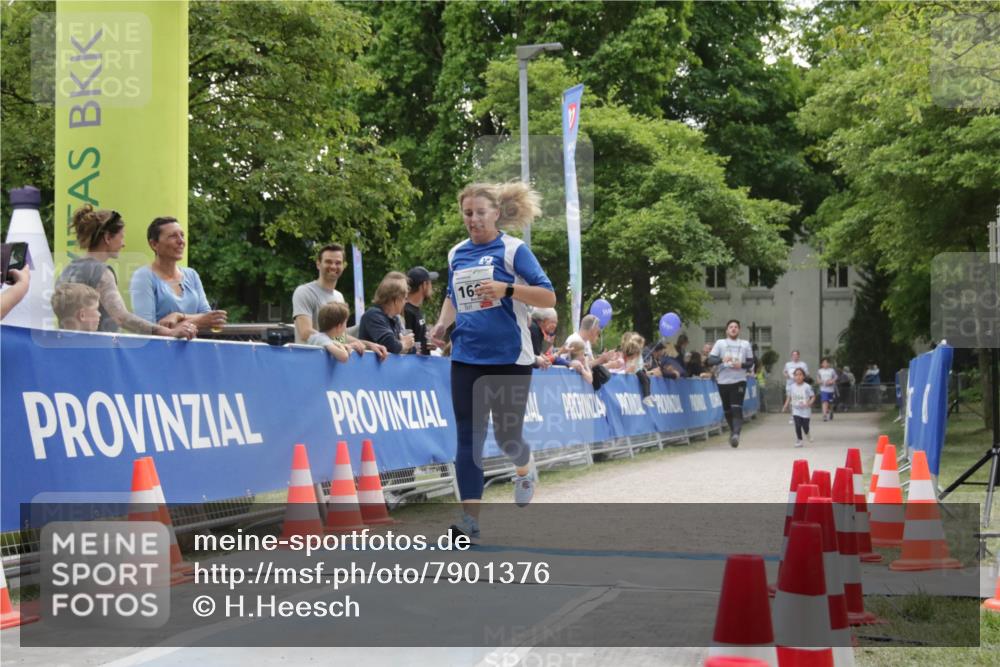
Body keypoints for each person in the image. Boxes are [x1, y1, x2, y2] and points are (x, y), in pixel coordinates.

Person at [428, 181, 556, 542]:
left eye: (480, 213)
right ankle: (469, 522)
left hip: (510, 358)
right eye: (467, 213)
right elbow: (453, 296)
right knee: (468, 437)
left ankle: (523, 465)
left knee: (506, 434)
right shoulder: (457, 253)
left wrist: (507, 289)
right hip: (467, 355)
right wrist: (442, 324)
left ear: (496, 213)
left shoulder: (514, 251)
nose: (473, 219)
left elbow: (549, 295)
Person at [56, 205, 196, 339]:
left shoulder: (68, 269)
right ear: (108, 238)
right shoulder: (101, 272)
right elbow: (121, 317)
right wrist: (169, 332)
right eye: (121, 237)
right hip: (97, 353)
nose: (123, 244)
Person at [129, 217, 227, 330]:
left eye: (182, 235)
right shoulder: (143, 277)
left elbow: (209, 318)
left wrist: (178, 316)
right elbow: (146, 327)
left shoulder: (192, 275)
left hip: (193, 346)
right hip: (159, 347)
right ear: (154, 244)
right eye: (173, 236)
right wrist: (197, 322)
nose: (181, 241)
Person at [292, 244, 387, 359]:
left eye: (338, 263)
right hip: (308, 362)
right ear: (318, 264)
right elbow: (305, 332)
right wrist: (333, 345)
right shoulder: (304, 292)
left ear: (344, 265)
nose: (333, 266)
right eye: (328, 262)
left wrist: (367, 345)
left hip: (332, 366)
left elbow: (339, 336)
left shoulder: (339, 297)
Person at [706, 319, 755, 448]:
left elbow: (751, 362)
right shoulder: (720, 343)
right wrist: (722, 359)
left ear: (739, 330)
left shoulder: (745, 344)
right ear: (727, 330)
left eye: (736, 327)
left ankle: (736, 435)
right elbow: (710, 360)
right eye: (731, 327)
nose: (733, 329)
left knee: (736, 407)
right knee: (727, 409)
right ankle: (734, 432)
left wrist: (741, 365)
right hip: (723, 381)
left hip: (739, 380)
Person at [358, 272, 415, 355]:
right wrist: (404, 344)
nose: (406, 302)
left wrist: (406, 345)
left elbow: (411, 350)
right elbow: (391, 345)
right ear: (396, 299)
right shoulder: (373, 315)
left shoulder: (395, 318)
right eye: (405, 298)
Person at [404, 266, 438, 355]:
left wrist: (426, 345)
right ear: (424, 285)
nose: (432, 286)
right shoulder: (406, 311)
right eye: (430, 283)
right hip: (413, 366)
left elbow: (417, 340)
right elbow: (407, 344)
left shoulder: (416, 309)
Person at [782, 367, 815, 448]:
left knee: (805, 426)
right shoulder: (792, 386)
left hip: (806, 410)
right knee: (797, 425)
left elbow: (813, 397)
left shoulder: (807, 386)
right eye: (796, 375)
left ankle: (807, 434)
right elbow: (789, 397)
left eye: (800, 374)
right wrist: (785, 406)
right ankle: (799, 440)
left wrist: (809, 403)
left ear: (803, 376)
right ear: (794, 377)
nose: (798, 376)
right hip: (796, 409)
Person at [782, 350, 809, 424]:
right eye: (793, 355)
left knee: (798, 400)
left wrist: (799, 377)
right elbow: (784, 372)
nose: (795, 356)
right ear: (791, 356)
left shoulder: (803, 364)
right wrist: (786, 375)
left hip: (800, 385)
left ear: (799, 356)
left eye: (796, 355)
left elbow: (806, 374)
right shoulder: (788, 364)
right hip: (790, 384)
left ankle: (800, 414)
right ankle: (793, 415)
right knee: (791, 400)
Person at [817, 357, 837, 421]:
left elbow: (836, 377)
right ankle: (824, 415)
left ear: (828, 364)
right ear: (821, 364)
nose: (825, 364)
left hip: (831, 389)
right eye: (824, 363)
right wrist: (821, 381)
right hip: (823, 389)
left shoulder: (832, 370)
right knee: (824, 401)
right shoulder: (819, 371)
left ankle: (831, 411)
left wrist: (832, 381)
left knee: (830, 402)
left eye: (826, 363)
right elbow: (818, 379)